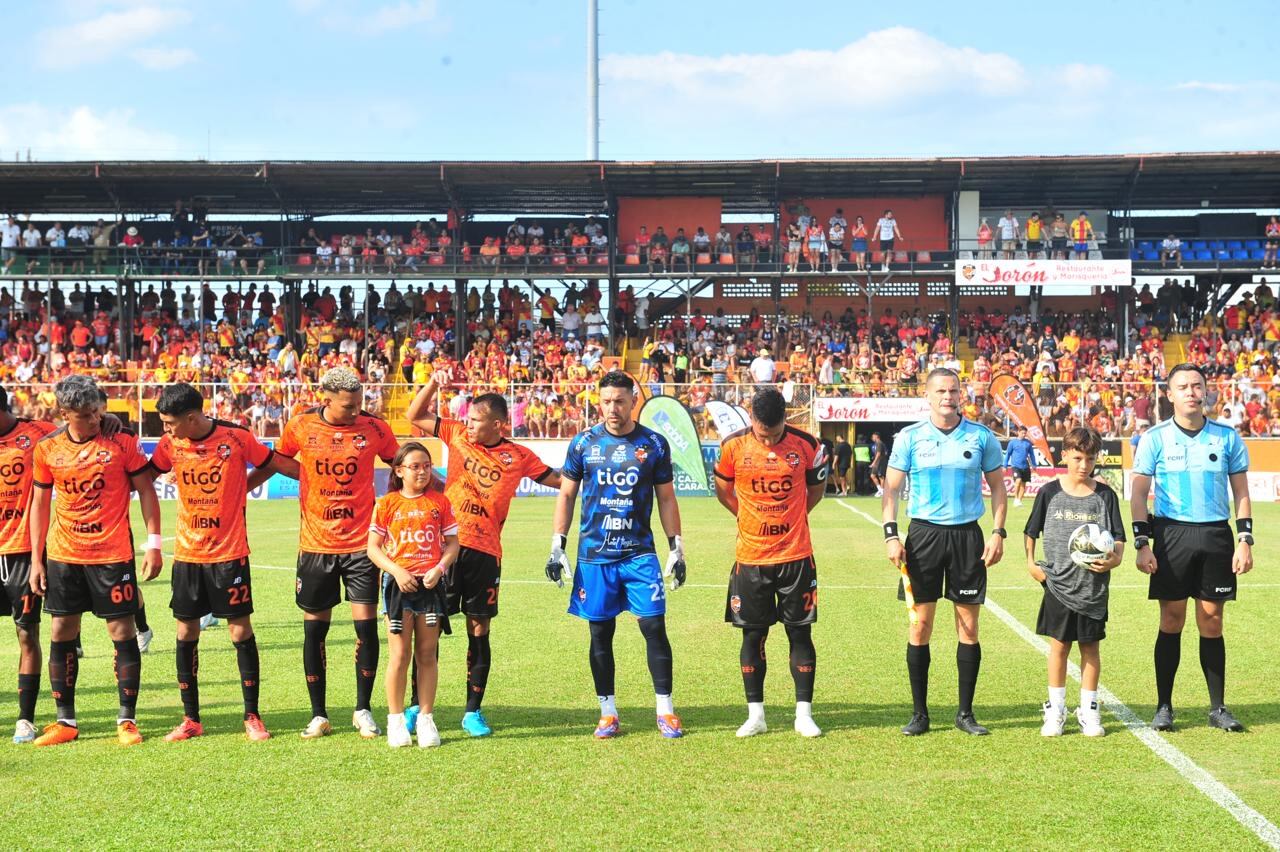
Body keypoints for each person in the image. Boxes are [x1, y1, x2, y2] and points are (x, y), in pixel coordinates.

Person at [404, 374, 560, 737]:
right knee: (427, 630)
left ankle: (472, 711)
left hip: (486, 553)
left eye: (476, 420)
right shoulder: (456, 434)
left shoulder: (519, 456)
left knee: (479, 629)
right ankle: (416, 705)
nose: (469, 423)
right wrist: (431, 382)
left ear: (497, 424)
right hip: (442, 549)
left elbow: (556, 479)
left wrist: (594, 473)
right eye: (468, 418)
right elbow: (415, 414)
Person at [148, 383, 297, 742]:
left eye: (170, 423)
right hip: (186, 555)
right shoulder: (171, 445)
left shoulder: (237, 437)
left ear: (192, 417)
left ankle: (252, 716)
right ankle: (191, 719)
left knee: (239, 631)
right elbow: (144, 475)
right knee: (186, 632)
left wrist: (243, 487)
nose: (165, 431)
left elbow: (274, 464)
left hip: (229, 555)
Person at [546, 371, 686, 739]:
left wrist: (676, 547)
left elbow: (666, 497)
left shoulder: (654, 444)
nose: (612, 408)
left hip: (639, 553)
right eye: (606, 401)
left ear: (633, 402)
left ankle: (666, 710)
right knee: (599, 633)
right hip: (595, 555)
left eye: (620, 401)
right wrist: (557, 544)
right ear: (599, 401)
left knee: (654, 627)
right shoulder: (583, 443)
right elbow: (566, 495)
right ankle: (607, 712)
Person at [28, 375, 163, 747]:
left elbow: (147, 492)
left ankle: (127, 720)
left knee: (121, 633)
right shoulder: (47, 449)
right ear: (64, 414)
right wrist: (37, 560)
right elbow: (39, 505)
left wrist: (153, 544)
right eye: (85, 415)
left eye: (96, 411)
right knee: (60, 633)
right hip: (63, 555)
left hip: (112, 554)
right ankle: (65, 722)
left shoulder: (121, 442)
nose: (94, 420)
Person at [275, 366, 400, 740]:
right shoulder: (300, 426)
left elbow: (401, 465)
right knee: (315, 631)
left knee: (365, 628)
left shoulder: (375, 428)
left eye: (359, 404)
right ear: (325, 399)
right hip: (315, 545)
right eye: (349, 406)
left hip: (363, 546)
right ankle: (318, 714)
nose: (356, 411)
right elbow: (279, 459)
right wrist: (309, 476)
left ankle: (363, 709)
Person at [882, 368, 1007, 736]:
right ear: (928, 395)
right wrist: (892, 536)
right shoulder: (909, 438)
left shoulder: (982, 437)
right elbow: (890, 492)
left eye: (953, 390)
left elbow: (999, 488)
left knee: (968, 626)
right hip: (923, 537)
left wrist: (998, 531)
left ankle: (965, 713)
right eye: (940, 390)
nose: (947, 396)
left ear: (961, 394)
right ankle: (919, 714)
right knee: (920, 625)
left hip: (968, 536)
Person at [1130, 363, 1251, 733]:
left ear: (1206, 390)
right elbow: (1137, 492)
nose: (1191, 392)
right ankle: (1164, 706)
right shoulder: (1155, 438)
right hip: (1171, 537)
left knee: (1212, 622)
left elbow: (1241, 493)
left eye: (1197, 385)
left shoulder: (1226, 437)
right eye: (1182, 386)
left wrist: (1245, 539)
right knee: (1171, 620)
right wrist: (1141, 542)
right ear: (1169, 395)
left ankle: (1218, 708)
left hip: (1216, 536)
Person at [715, 388, 827, 737]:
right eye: (764, 435)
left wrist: (796, 518)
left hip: (796, 556)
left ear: (785, 420)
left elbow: (816, 490)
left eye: (776, 434)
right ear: (752, 420)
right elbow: (723, 489)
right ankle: (756, 715)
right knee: (752, 635)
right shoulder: (733, 447)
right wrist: (745, 516)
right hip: (750, 558)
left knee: (800, 633)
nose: (769, 440)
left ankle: (803, 714)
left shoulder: (807, 445)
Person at [1023, 428, 1126, 737]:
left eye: (1090, 459)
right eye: (1078, 458)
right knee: (1058, 648)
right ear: (1064, 455)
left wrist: (1115, 559)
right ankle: (1055, 711)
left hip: (1092, 588)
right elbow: (1030, 531)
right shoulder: (1049, 492)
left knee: (1090, 649)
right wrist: (1031, 563)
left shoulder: (1105, 495)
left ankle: (1089, 711)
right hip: (1057, 585)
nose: (1084, 465)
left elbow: (1119, 538)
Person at [367, 442, 460, 748]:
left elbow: (452, 544)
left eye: (426, 465)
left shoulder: (440, 503)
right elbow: (373, 549)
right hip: (398, 587)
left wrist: (439, 568)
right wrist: (397, 572)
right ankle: (395, 722)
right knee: (399, 655)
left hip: (430, 586)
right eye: (414, 466)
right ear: (399, 471)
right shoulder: (387, 504)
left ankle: (425, 718)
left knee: (427, 655)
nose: (422, 471)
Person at [0, 386, 59, 743]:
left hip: (23, 552)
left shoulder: (36, 433)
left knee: (27, 634)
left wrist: (107, 417)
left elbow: (77, 429)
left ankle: (25, 718)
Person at [1003, 425, 1035, 507]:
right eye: (1022, 433)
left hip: (1025, 467)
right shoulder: (1012, 443)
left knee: (1023, 484)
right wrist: (1005, 465)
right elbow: (1008, 454)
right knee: (1018, 480)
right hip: (1015, 466)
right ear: (1018, 432)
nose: (1024, 434)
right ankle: (1015, 499)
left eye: (1025, 433)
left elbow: (1032, 454)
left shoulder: (1028, 443)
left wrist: (1034, 465)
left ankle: (1019, 501)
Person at [870, 431, 888, 497]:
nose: (872, 438)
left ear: (876, 436)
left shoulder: (879, 443)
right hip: (877, 462)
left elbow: (878, 453)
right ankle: (880, 490)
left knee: (881, 477)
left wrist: (874, 462)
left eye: (873, 437)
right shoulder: (877, 444)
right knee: (872, 475)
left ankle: (882, 491)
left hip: (880, 462)